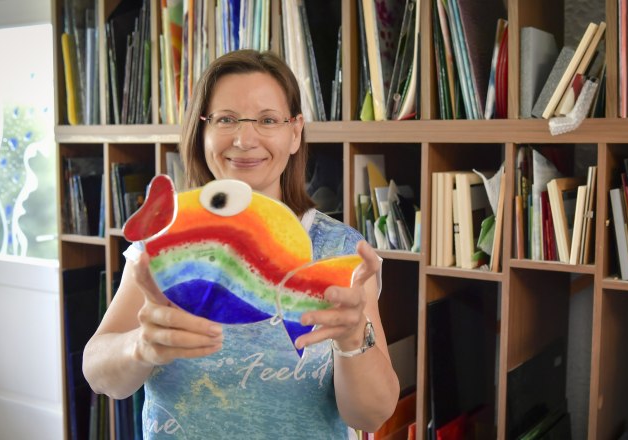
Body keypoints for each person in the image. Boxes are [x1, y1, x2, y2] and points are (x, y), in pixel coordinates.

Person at [83, 50, 399, 438]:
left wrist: (352, 338)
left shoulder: (339, 251)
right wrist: (140, 346)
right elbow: (100, 375)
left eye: (267, 120)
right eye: (226, 119)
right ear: (203, 132)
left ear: (295, 132)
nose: (244, 139)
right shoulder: (166, 244)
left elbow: (372, 416)